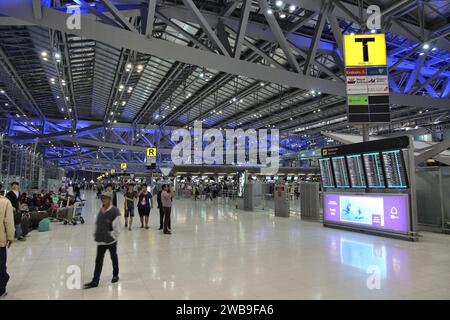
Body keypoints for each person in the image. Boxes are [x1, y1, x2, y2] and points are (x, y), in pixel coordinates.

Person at [84, 191, 122, 289]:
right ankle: (95, 280)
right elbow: (98, 223)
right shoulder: (101, 210)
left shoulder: (115, 211)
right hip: (101, 241)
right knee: (98, 260)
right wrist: (96, 234)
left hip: (111, 241)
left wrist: (111, 236)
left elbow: (118, 228)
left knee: (113, 257)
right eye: (102, 198)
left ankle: (115, 275)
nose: (103, 200)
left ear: (110, 199)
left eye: (105, 198)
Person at [0, 184, 14, 298]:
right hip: (0, 240)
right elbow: (8, 222)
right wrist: (10, 237)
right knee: (0, 264)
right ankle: (1, 289)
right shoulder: (5, 202)